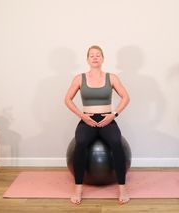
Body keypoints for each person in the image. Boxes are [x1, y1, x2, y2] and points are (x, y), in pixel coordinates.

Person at [64, 45, 130, 204]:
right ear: (87, 59)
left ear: (103, 59)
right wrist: (82, 116)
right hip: (87, 120)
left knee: (116, 142)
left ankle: (122, 188)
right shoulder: (79, 78)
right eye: (91, 55)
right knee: (80, 143)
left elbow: (126, 97)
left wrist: (113, 115)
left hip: (108, 119)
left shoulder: (112, 77)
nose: (95, 58)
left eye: (98, 55)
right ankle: (78, 188)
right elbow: (67, 99)